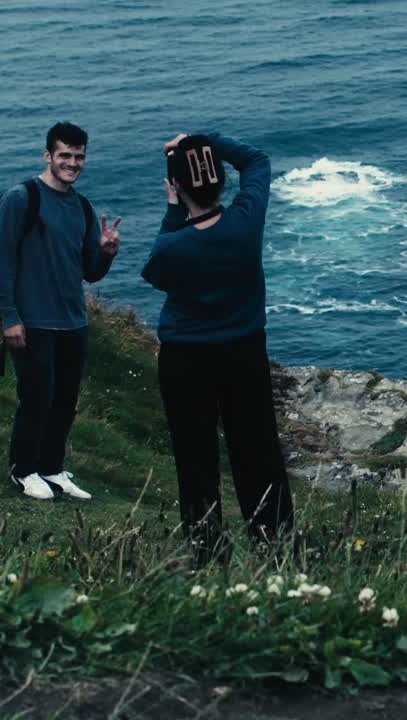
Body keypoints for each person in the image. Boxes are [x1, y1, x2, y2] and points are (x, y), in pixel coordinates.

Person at [141, 132, 294, 560]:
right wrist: (203, 141)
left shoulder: (174, 245)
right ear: (221, 182)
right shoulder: (245, 222)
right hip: (244, 352)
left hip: (186, 360)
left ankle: (207, 552)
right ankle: (275, 546)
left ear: (177, 187)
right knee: (258, 451)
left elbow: (156, 273)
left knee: (196, 458)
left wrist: (174, 213)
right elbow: (257, 161)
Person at [0, 122, 121, 501]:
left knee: (64, 400)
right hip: (32, 320)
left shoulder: (81, 206)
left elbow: (89, 272)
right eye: (64, 155)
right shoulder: (21, 198)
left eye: (79, 156)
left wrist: (107, 254)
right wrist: (9, 316)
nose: (72, 163)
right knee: (37, 397)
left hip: (73, 321)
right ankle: (23, 470)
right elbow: (0, 261)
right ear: (48, 156)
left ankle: (51, 468)